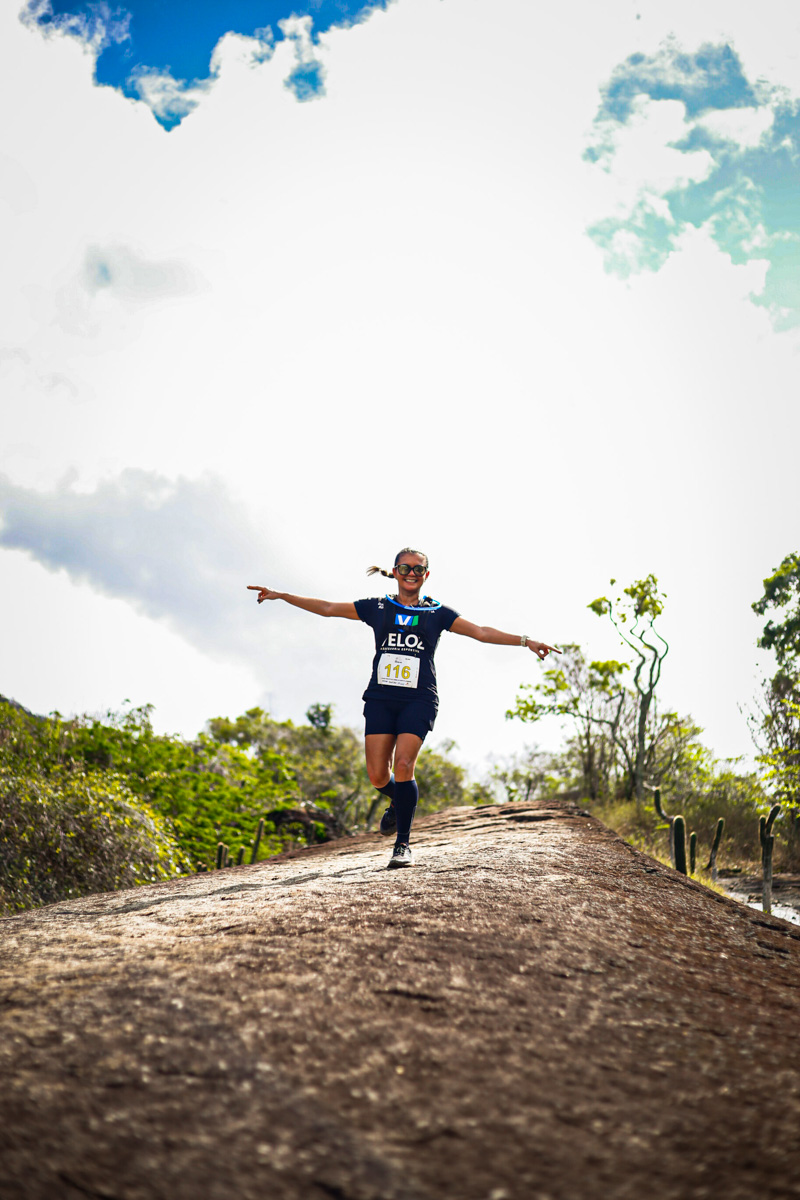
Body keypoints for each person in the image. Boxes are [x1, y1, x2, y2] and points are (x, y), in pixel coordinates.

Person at [248, 548, 559, 869]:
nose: (412, 574)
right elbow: (327, 608)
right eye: (405, 568)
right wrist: (282, 595)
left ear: (426, 575)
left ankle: (403, 845)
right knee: (377, 775)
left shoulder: (437, 612)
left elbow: (481, 632)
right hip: (381, 698)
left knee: (405, 765)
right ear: (395, 571)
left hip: (419, 699)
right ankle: (399, 800)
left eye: (418, 569)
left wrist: (527, 641)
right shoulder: (377, 607)